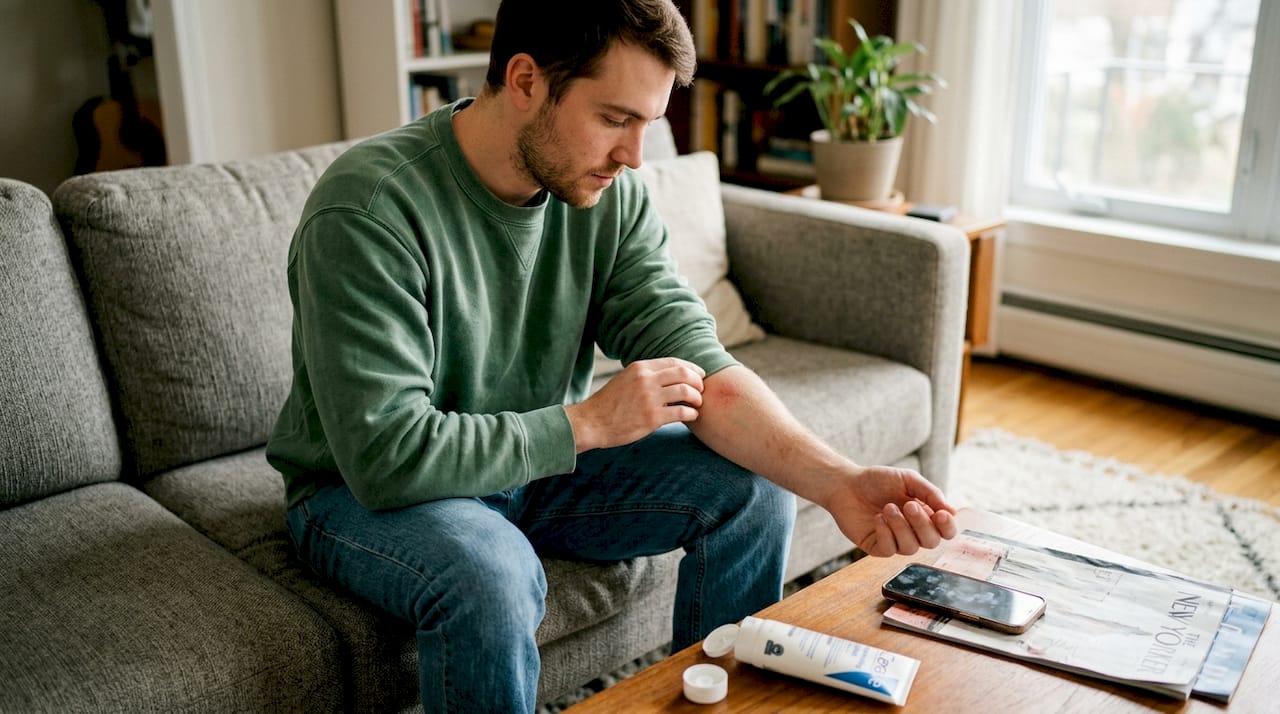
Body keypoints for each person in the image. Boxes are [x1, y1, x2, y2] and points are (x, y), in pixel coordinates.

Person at [266, 0, 958, 710]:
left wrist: (838, 482)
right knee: (490, 574)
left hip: (532, 468)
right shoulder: (368, 209)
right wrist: (586, 425)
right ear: (527, 80)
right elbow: (386, 456)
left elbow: (703, 367)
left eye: (646, 126)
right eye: (614, 119)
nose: (633, 156)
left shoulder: (606, 197)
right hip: (359, 493)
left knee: (753, 489)